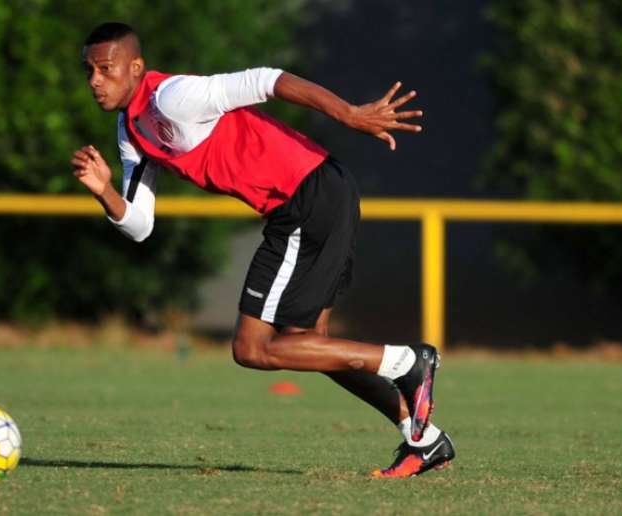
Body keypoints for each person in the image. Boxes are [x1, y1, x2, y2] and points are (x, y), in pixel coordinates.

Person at [71, 22, 455, 478]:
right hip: (315, 197)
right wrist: (105, 192)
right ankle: (424, 438)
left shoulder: (172, 98)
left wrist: (349, 114)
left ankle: (408, 361)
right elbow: (139, 225)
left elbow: (267, 80)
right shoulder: (130, 129)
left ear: (135, 68)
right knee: (309, 346)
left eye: (105, 69)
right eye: (89, 71)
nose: (95, 80)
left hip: (306, 196)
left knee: (252, 348)